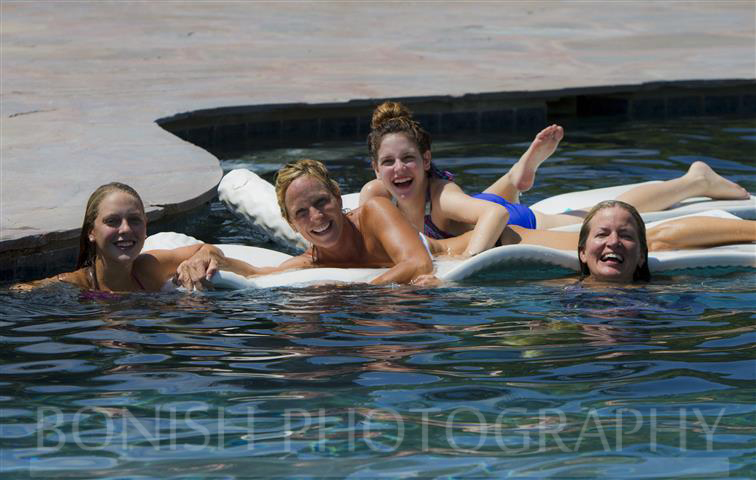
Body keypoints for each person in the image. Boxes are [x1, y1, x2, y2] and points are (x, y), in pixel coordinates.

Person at [360, 101, 750, 257]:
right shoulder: (379, 190)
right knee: (482, 201)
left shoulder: (442, 200)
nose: (399, 170)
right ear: (376, 169)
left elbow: (494, 219)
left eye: (408, 160)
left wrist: (469, 256)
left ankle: (694, 180)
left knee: (597, 216)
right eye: (389, 163)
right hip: (478, 205)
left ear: (425, 160)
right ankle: (517, 174)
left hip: (516, 221)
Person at [176, 159, 438, 287]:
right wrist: (210, 253)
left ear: (337, 197)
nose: (316, 217)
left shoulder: (374, 213)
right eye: (301, 212)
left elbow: (418, 262)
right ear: (291, 223)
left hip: (450, 247)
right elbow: (255, 273)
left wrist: (356, 291)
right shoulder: (307, 263)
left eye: (322, 202)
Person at [430, 200, 755, 284]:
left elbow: (496, 213)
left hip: (562, 239)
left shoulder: (443, 246)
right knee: (650, 237)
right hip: (565, 237)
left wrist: (470, 255)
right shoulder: (435, 246)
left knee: (653, 240)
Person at [12, 182, 255, 292]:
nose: (126, 229)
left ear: (145, 227)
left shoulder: (149, 268)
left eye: (134, 220)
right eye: (112, 221)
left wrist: (201, 256)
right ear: (91, 233)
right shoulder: (73, 286)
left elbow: (208, 248)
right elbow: (20, 292)